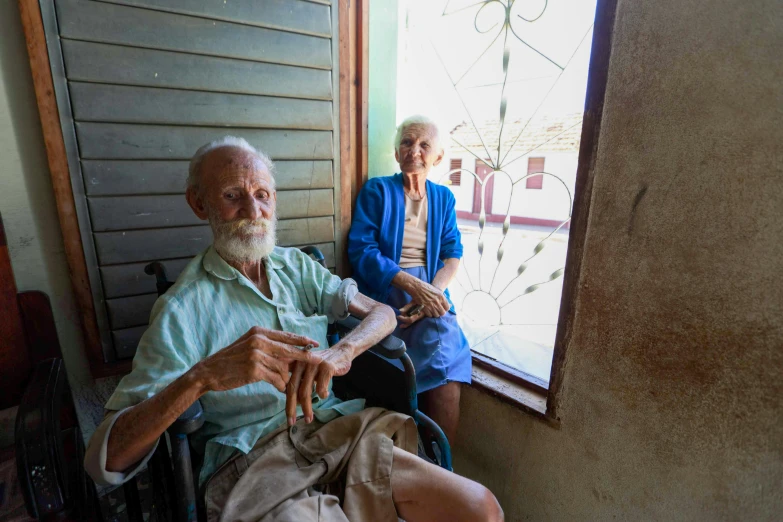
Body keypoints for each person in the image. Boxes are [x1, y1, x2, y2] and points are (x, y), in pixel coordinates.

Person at [83, 136, 502, 522]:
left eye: (262, 195)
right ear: (199, 203)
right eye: (232, 196)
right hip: (255, 463)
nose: (253, 211)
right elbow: (106, 459)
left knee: (481, 508)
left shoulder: (296, 267)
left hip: (340, 432)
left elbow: (383, 315)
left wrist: (342, 352)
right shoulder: (181, 308)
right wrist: (201, 377)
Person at [347, 115, 471, 445]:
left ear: (438, 157)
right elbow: (362, 250)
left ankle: (442, 471)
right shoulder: (378, 190)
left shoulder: (443, 198)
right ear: (397, 150)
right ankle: (404, 459)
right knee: (391, 372)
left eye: (424, 145)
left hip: (430, 293)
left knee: (445, 363)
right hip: (387, 290)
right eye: (407, 142)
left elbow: (452, 252)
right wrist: (414, 287)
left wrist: (433, 292)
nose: (414, 150)